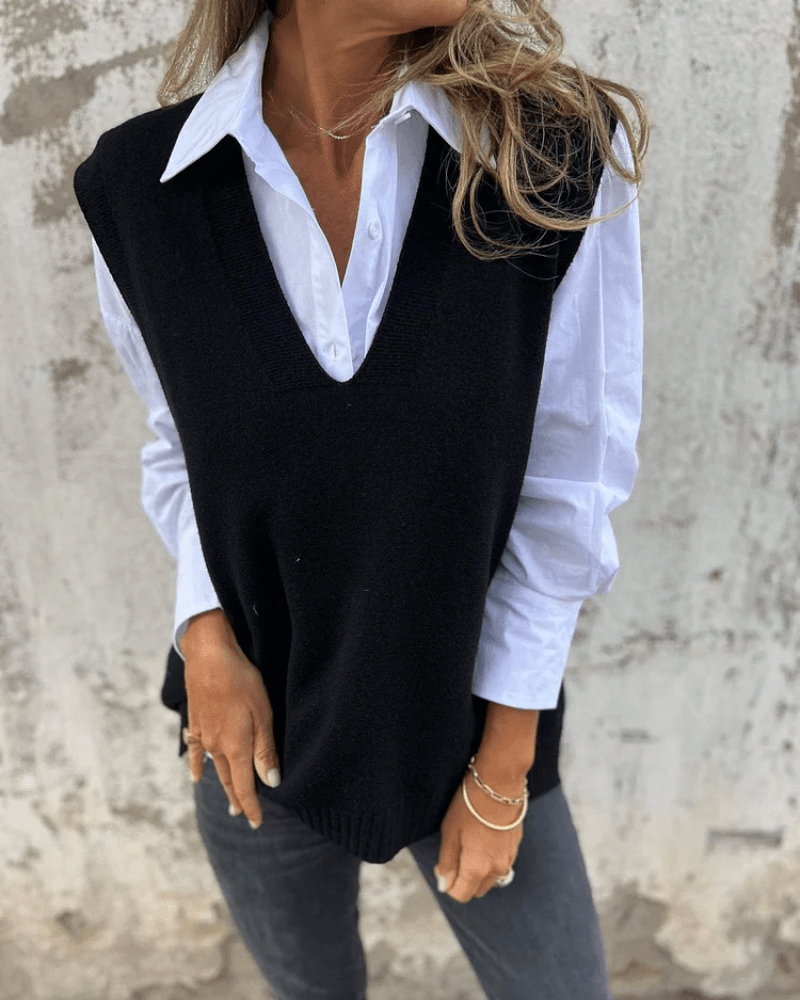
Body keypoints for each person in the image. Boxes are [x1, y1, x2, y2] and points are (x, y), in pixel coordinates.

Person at [74, 0, 647, 996]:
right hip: (252, 724)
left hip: (472, 722)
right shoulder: (141, 189)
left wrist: (505, 763)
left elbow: (569, 481)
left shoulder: (547, 157)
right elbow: (181, 450)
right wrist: (203, 632)